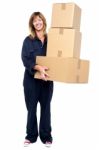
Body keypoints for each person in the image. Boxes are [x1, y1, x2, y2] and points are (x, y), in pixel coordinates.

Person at [21, 12, 53, 147]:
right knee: (31, 108)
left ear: (43, 22)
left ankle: (46, 136)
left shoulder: (51, 39)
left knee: (46, 108)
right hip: (31, 81)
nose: (37, 23)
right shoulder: (28, 40)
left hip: (47, 80)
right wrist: (37, 67)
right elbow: (25, 59)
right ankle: (31, 136)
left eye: (39, 20)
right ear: (32, 24)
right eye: (35, 21)